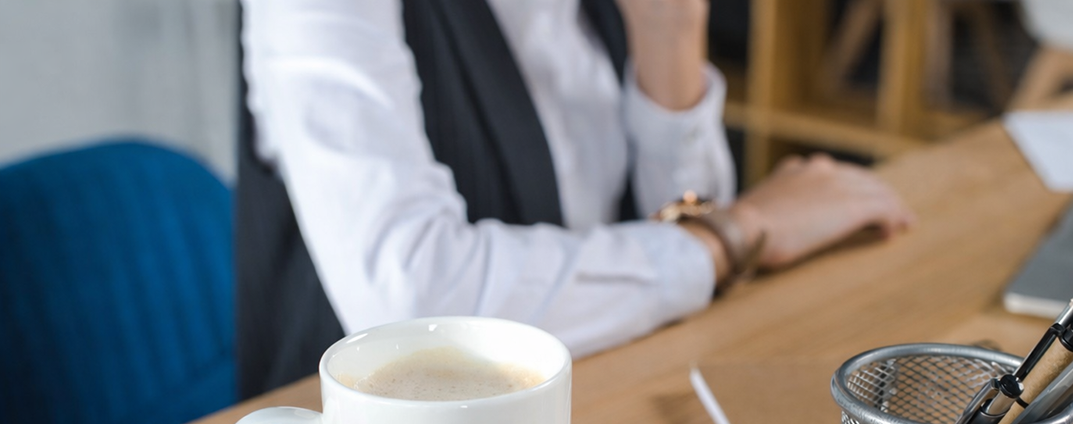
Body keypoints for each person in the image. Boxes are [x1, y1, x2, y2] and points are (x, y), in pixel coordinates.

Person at [236, 0, 915, 397]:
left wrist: (670, 36)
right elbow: (416, 296)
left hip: (588, 399)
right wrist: (736, 233)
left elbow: (674, 226)